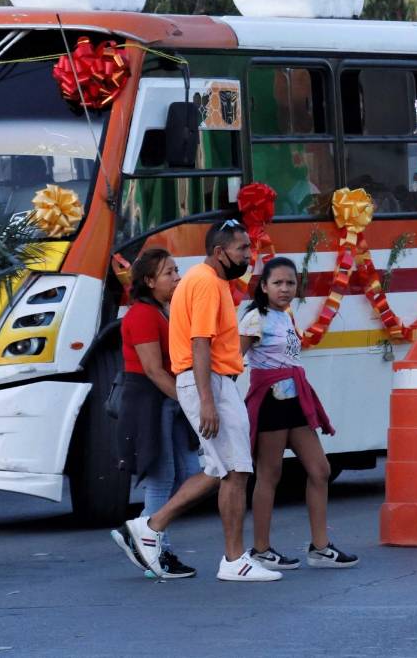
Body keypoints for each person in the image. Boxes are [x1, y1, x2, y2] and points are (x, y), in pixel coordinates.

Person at [113, 219, 282, 582]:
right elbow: (200, 342)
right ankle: (233, 560)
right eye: (242, 249)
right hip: (209, 383)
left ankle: (151, 527)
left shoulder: (206, 280)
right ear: (220, 252)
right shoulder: (206, 283)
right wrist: (207, 399)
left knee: (217, 469)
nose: (248, 256)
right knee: (235, 470)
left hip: (212, 382)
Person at [239, 256, 357, 569]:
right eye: (277, 283)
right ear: (263, 286)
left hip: (296, 400)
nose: (285, 289)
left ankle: (320, 548)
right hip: (271, 401)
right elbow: (233, 360)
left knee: (320, 470)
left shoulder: (285, 316)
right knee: (269, 474)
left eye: (290, 283)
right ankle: (261, 549)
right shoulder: (255, 318)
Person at [113, 248, 200, 579]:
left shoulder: (163, 310)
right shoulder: (143, 315)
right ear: (148, 281)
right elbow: (153, 370)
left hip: (168, 403)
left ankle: (149, 539)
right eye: (169, 273)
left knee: (190, 473)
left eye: (176, 271)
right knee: (162, 477)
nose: (177, 277)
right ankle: (152, 547)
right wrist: (189, 401)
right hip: (152, 404)